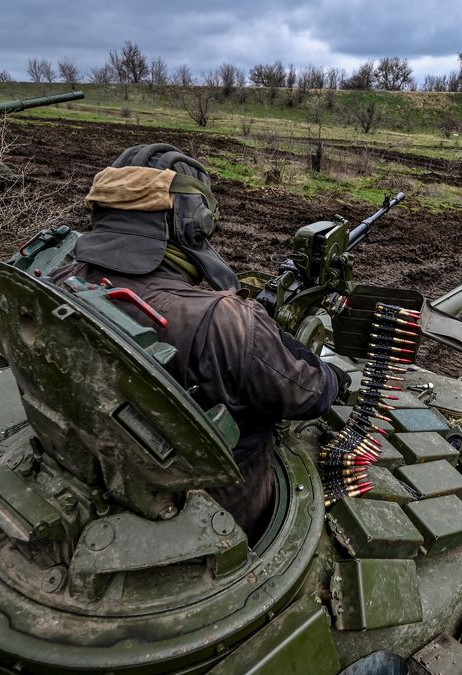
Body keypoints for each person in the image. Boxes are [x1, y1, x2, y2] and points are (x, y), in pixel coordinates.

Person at [51, 143, 345, 536]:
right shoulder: (222, 322)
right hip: (219, 516)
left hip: (100, 474)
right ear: (192, 220)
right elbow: (310, 394)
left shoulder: (56, 283)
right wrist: (334, 377)